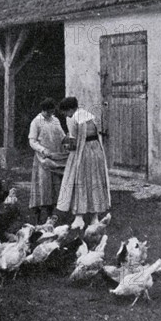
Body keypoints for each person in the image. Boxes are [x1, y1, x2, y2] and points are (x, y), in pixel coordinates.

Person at [56, 96, 111, 229]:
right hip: (96, 151)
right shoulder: (89, 116)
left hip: (83, 153)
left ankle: (79, 217)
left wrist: (66, 146)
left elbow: (74, 143)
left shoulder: (73, 119)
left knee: (78, 181)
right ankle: (94, 217)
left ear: (69, 109)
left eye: (65, 112)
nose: (65, 115)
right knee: (95, 181)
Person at [28, 98, 68, 224]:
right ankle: (39, 215)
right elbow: (32, 141)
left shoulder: (55, 120)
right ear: (43, 110)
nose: (50, 113)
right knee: (43, 186)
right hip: (43, 159)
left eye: (52, 111)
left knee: (54, 187)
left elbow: (62, 136)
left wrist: (67, 143)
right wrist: (42, 149)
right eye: (48, 112)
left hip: (55, 156)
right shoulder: (36, 122)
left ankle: (51, 215)